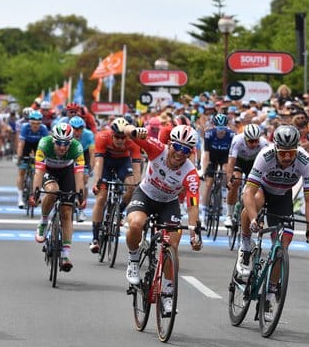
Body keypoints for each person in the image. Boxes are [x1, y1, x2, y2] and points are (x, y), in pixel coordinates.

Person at [235, 125, 309, 315]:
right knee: (253, 203)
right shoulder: (265, 156)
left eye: (291, 153)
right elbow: (248, 191)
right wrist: (255, 218)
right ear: (276, 149)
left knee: (282, 246)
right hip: (262, 190)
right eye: (283, 153)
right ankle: (246, 244)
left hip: (283, 197)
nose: (288, 157)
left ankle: (271, 290)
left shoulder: (305, 160)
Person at [123, 124, 202, 314]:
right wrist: (136, 130)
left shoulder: (190, 173)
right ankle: (133, 261)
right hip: (145, 195)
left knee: (172, 245)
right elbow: (126, 131)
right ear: (169, 144)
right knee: (136, 224)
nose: (180, 153)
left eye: (186, 149)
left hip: (169, 203)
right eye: (177, 146)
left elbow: (192, 204)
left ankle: (167, 293)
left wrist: (194, 232)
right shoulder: (156, 149)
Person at [30, 123, 85, 272]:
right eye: (59, 143)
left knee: (67, 212)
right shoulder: (44, 144)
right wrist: (34, 193)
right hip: (49, 170)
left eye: (66, 143)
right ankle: (43, 221)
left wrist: (81, 195)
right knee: (53, 190)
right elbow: (38, 172)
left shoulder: (76, 147)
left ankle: (65, 255)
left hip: (66, 172)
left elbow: (79, 174)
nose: (62, 147)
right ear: (53, 140)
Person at [90, 118, 142, 253]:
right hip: (106, 163)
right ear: (112, 134)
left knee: (132, 186)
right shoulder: (102, 137)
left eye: (123, 137)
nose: (120, 140)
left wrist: (137, 182)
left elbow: (136, 165)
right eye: (117, 137)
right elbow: (98, 162)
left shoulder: (133, 141)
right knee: (101, 197)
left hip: (123, 163)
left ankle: (120, 210)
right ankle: (95, 238)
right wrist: (97, 181)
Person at [224, 123, 269, 227]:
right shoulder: (237, 140)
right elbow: (231, 163)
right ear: (245, 138)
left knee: (258, 187)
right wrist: (229, 180)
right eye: (251, 141)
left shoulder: (264, 144)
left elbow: (267, 167)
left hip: (254, 163)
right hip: (239, 161)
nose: (254, 144)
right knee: (236, 180)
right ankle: (229, 215)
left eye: (256, 141)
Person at [201, 113, 235, 220]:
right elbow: (206, 155)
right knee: (208, 183)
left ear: (226, 126)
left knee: (226, 171)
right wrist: (203, 171)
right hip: (212, 157)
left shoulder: (231, 135)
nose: (221, 130)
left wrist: (229, 175)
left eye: (223, 127)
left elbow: (232, 157)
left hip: (225, 157)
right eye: (219, 127)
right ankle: (204, 210)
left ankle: (224, 192)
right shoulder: (209, 134)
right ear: (215, 126)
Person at [15, 111, 49, 208]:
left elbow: (46, 145)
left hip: (38, 145)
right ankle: (20, 198)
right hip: (27, 145)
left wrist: (45, 158)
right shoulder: (25, 127)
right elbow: (21, 144)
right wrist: (19, 157)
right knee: (21, 171)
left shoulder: (43, 129)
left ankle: (35, 194)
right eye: (33, 123)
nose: (35, 126)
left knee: (38, 172)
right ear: (29, 122)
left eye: (38, 124)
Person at [69, 116, 95, 221]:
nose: (77, 132)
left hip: (84, 154)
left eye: (80, 129)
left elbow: (92, 153)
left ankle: (81, 209)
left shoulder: (88, 135)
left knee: (83, 179)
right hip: (69, 153)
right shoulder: (66, 134)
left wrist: (89, 169)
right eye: (74, 129)